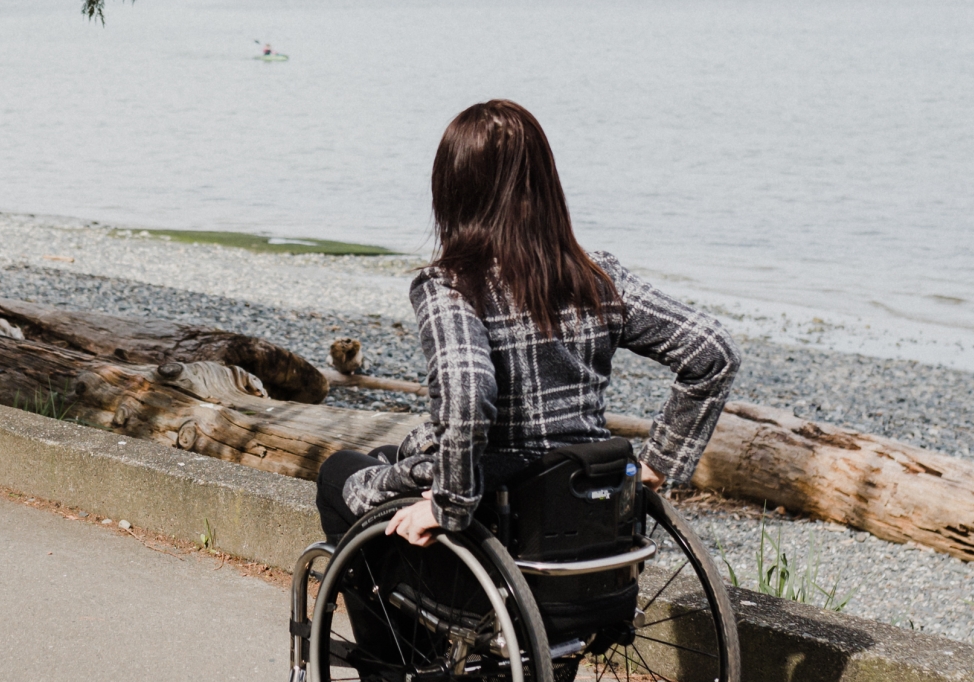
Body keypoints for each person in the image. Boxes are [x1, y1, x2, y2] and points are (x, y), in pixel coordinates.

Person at [316, 99, 739, 633]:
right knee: (386, 455)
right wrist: (656, 463)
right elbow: (714, 352)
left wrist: (448, 505)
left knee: (339, 474)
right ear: (545, 185)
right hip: (583, 507)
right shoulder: (598, 276)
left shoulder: (451, 285)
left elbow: (467, 396)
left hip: (501, 506)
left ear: (452, 190)